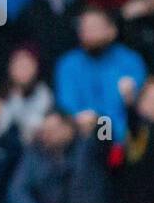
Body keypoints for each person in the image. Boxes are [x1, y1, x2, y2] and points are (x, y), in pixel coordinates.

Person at [7, 110, 108, 203]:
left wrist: (101, 121)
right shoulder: (35, 154)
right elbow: (17, 192)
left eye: (54, 129)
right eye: (45, 130)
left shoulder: (88, 147)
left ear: (69, 128)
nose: (48, 135)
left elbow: (107, 140)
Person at [54, 8, 146, 143]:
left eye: (95, 26)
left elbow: (143, 104)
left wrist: (131, 99)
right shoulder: (68, 64)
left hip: (128, 138)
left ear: (112, 30)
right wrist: (82, 119)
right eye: (84, 27)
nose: (89, 32)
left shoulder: (130, 61)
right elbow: (67, 104)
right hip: (84, 137)